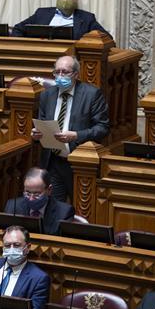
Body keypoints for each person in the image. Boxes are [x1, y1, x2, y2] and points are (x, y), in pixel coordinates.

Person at [31, 55, 110, 202]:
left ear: (76, 74)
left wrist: (76, 135)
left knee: (80, 206)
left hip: (79, 164)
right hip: (53, 162)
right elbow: (42, 123)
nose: (60, 76)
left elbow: (103, 128)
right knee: (54, 209)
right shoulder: (47, 95)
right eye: (57, 72)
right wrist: (36, 135)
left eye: (65, 72)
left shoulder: (92, 94)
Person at [11, 0, 110, 40]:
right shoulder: (42, 13)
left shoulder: (87, 18)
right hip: (42, 54)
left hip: (71, 58)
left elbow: (107, 37)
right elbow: (18, 29)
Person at [4, 167, 75, 236]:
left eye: (36, 194)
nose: (31, 199)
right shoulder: (12, 206)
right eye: (27, 193)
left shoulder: (64, 213)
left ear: (49, 190)